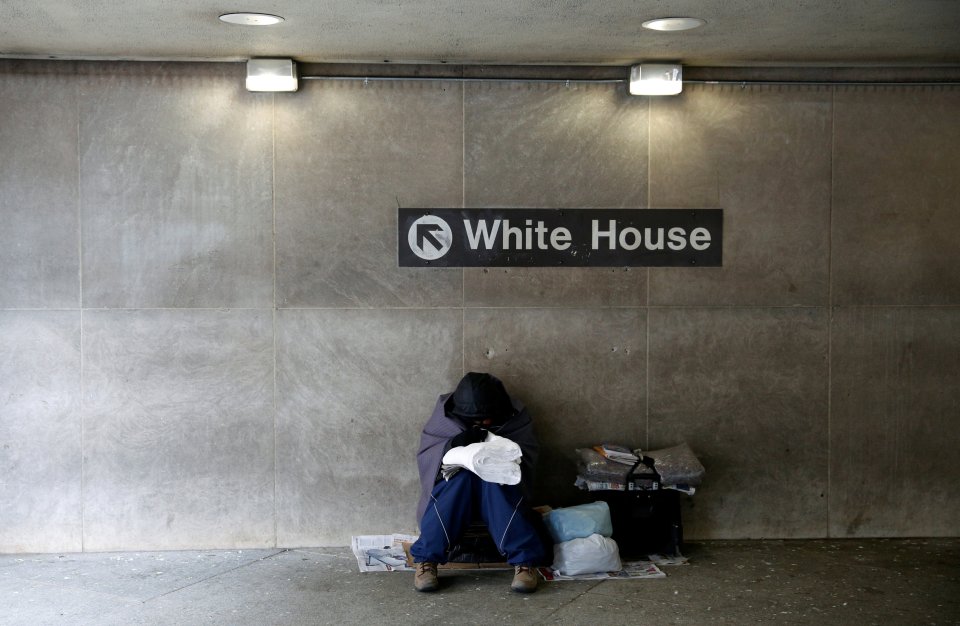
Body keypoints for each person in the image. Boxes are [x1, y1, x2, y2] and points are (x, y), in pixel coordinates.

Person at [410, 372, 550, 593]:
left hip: (497, 491)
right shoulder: (444, 416)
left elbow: (527, 457)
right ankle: (427, 561)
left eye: (487, 418)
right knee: (460, 480)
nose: (483, 423)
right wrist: (453, 444)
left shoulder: (515, 416)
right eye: (475, 420)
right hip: (456, 490)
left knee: (495, 479)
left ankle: (525, 562)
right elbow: (428, 457)